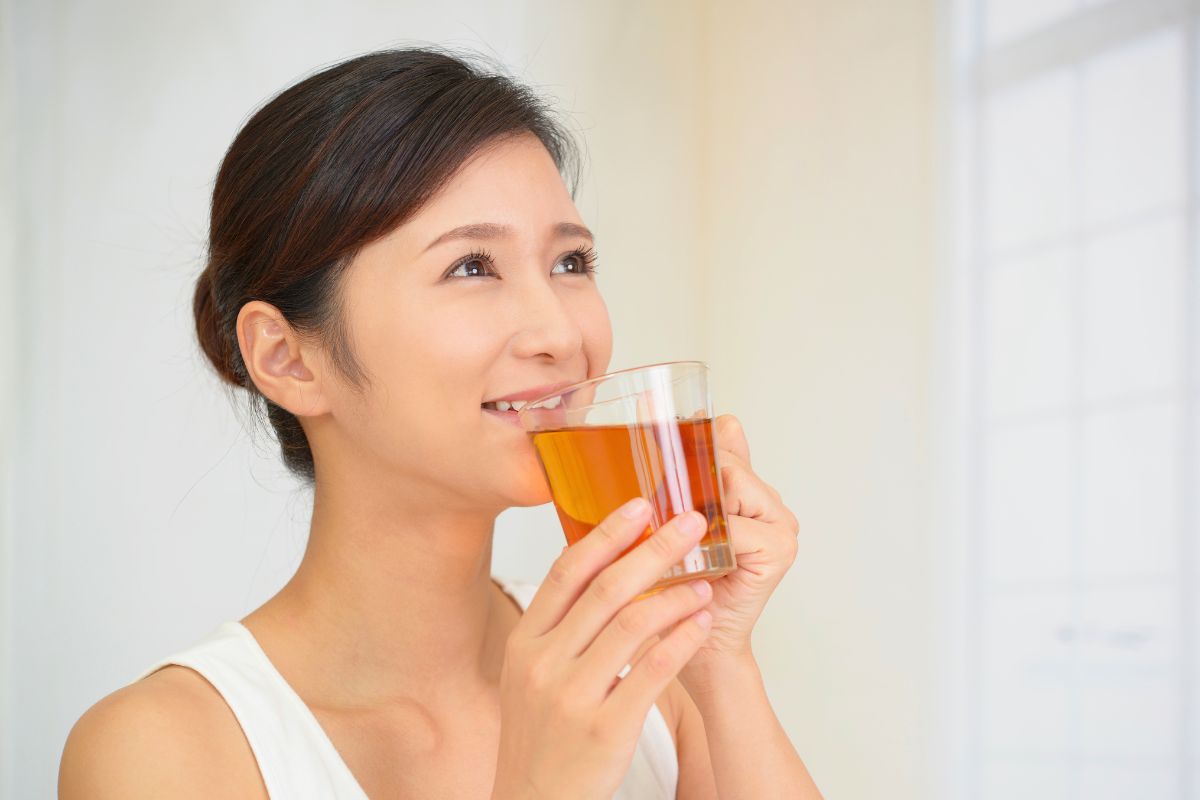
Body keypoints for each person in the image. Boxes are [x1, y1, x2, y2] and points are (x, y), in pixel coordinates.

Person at [57, 46, 820, 799]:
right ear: (288, 358)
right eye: (471, 267)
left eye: (571, 263)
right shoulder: (163, 750)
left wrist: (718, 659)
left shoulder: (645, 673)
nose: (559, 331)